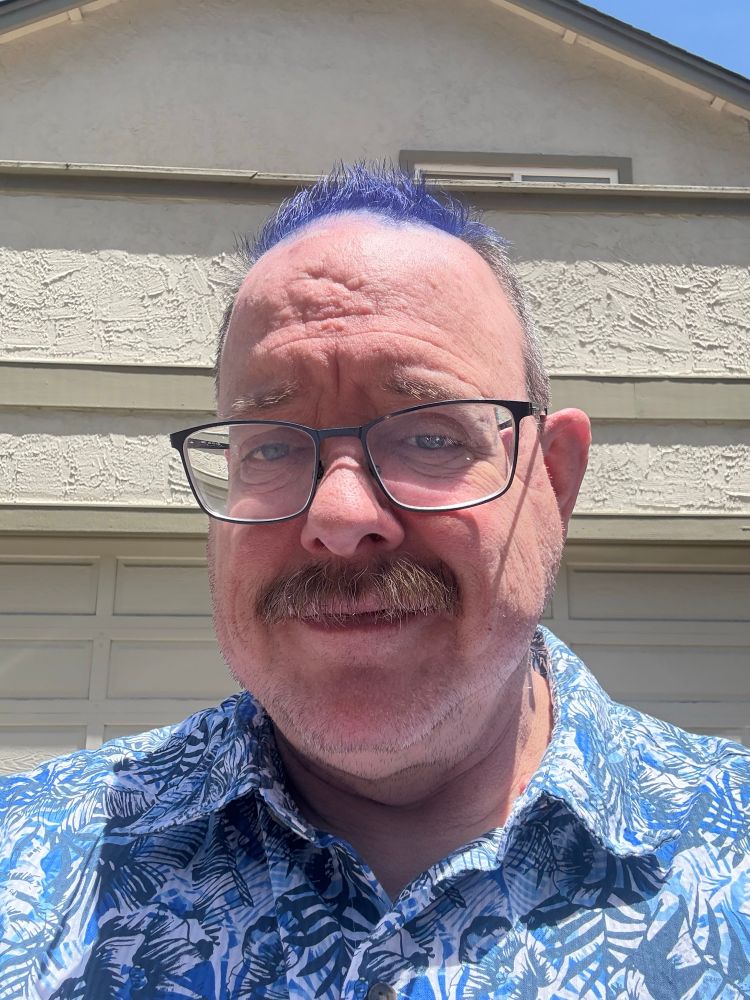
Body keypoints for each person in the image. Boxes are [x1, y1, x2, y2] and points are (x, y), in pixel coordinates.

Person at [1, 165, 748, 1000]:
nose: (342, 514)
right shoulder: (20, 863)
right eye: (271, 445)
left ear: (552, 480)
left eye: (429, 436)